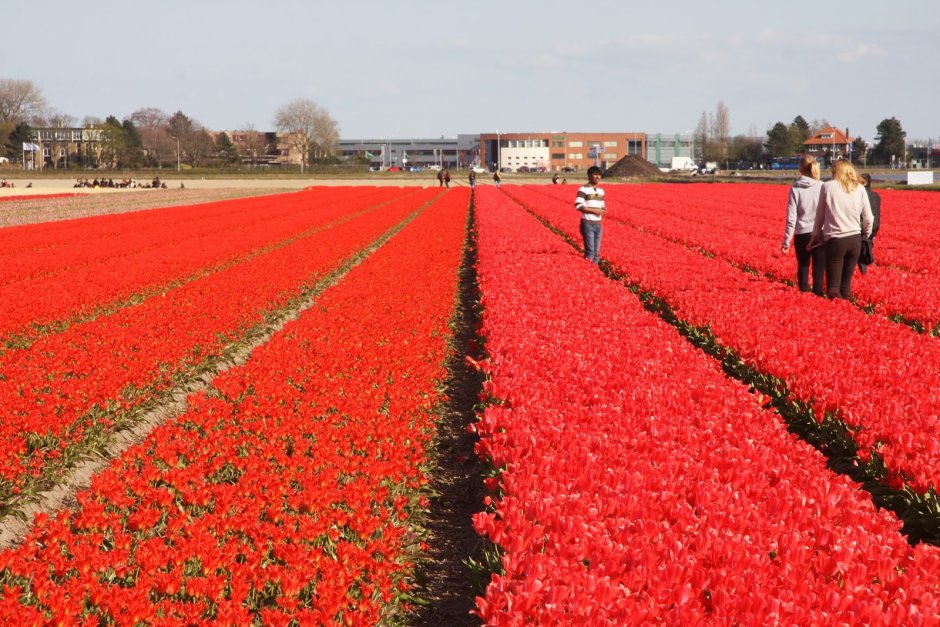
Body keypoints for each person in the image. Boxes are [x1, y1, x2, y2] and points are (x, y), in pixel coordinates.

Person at [809, 159, 873, 300]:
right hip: (854, 240)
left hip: (835, 240)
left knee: (833, 286)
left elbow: (820, 215)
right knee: (846, 286)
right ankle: (848, 312)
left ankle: (835, 314)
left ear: (835, 171)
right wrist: (866, 234)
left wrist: (814, 236)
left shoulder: (827, 187)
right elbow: (869, 217)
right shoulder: (859, 188)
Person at [781, 155, 825, 295]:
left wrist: (786, 242)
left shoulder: (795, 189)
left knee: (803, 266)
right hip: (820, 232)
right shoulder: (822, 186)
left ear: (800, 169)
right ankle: (818, 297)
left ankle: (803, 296)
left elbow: (791, 218)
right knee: (819, 268)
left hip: (802, 233)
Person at [574, 165, 606, 264]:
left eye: (599, 175)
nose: (597, 177)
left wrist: (603, 210)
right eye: (595, 174)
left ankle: (595, 274)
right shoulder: (583, 189)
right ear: (589, 176)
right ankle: (588, 272)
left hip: (598, 224)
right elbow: (578, 205)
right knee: (590, 252)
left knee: (596, 253)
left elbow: (601, 206)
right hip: (587, 224)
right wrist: (594, 211)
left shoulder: (601, 191)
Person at [858, 173, 881, 273]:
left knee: (859, 250)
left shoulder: (859, 194)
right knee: (867, 247)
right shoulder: (876, 195)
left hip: (862, 226)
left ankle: (862, 267)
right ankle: (865, 268)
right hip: (874, 226)